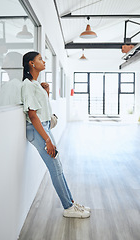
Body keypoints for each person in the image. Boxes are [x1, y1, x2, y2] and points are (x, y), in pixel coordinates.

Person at [21, 51, 91, 218]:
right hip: (38, 130)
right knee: (55, 168)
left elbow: (42, 108)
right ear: (31, 63)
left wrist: (46, 91)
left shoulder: (35, 84)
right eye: (40, 59)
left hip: (44, 127)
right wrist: (47, 139)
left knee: (58, 168)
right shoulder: (27, 85)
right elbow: (32, 115)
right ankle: (68, 207)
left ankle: (71, 203)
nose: (43, 61)